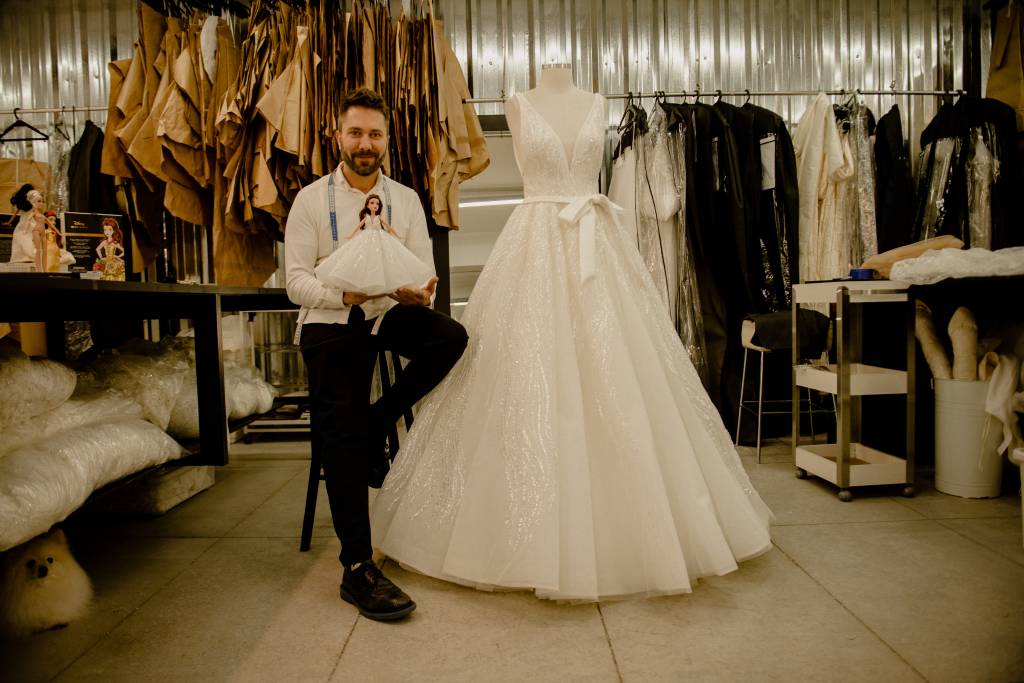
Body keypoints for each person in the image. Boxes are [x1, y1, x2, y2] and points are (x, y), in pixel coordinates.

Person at [370, 65, 773, 601]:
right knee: (527, 376)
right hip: (534, 243)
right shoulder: (518, 100)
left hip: (596, 241)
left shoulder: (596, 99)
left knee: (619, 370)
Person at [284, 87, 468, 621]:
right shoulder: (311, 200)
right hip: (331, 319)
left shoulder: (405, 200)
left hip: (387, 312)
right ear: (337, 136)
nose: (365, 143)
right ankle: (357, 567)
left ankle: (375, 423)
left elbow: (421, 272)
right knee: (338, 431)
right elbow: (295, 282)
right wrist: (343, 294)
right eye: (356, 132)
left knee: (450, 338)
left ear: (387, 140)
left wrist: (415, 292)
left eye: (375, 134)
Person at [314, 193, 433, 316]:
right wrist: (350, 236)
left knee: (383, 260)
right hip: (366, 240)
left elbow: (388, 227)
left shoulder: (379, 217)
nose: (375, 205)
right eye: (372, 203)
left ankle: (380, 285)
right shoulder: (366, 217)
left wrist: (397, 236)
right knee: (363, 260)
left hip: (380, 239)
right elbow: (358, 227)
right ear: (367, 205)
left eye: (376, 203)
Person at [8, 184, 44, 265]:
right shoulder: (24, 204)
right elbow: (15, 214)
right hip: (25, 223)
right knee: (21, 239)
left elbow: (33, 215)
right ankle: (23, 257)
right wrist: (9, 222)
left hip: (27, 224)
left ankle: (28, 256)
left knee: (25, 239)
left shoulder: (31, 204)